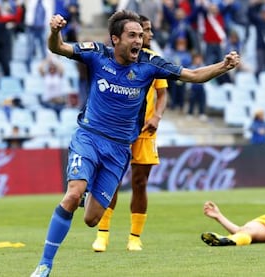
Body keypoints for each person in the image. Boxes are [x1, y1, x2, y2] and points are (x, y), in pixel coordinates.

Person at [30, 10, 239, 277]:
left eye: (141, 35)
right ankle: (45, 264)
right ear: (115, 39)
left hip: (119, 150)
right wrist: (55, 31)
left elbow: (193, 75)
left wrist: (223, 66)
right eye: (133, 35)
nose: (139, 40)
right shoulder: (97, 54)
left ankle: (87, 189)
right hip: (89, 137)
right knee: (72, 194)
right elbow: (57, 47)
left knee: (91, 219)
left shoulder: (150, 64)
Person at [91, 14, 168, 253]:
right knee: (111, 181)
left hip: (145, 130)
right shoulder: (114, 59)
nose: (148, 35)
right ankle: (102, 234)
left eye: (147, 31)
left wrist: (156, 116)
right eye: (145, 30)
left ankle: (135, 237)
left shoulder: (154, 61)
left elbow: (163, 93)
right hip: (119, 130)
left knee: (140, 182)